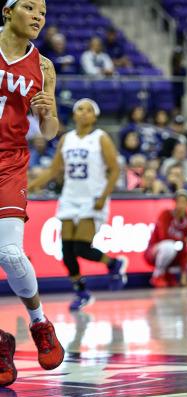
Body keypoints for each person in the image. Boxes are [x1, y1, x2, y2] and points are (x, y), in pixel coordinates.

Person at [0, 0, 65, 386]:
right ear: (7, 11)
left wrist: (49, 111)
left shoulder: (43, 66)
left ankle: (40, 324)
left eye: (42, 10)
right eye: (29, 6)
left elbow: (49, 131)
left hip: (9, 161)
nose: (39, 15)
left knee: (8, 251)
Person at [28, 98, 128, 311]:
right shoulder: (66, 139)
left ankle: (113, 263)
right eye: (80, 109)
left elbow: (115, 169)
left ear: (95, 116)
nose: (84, 113)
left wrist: (104, 196)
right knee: (67, 251)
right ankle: (82, 292)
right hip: (70, 198)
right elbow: (54, 169)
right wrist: (30, 186)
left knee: (81, 247)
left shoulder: (101, 138)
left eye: (89, 110)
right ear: (74, 115)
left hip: (92, 199)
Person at [145, 189, 187, 287]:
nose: (181, 205)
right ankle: (157, 275)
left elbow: (183, 247)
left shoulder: (186, 221)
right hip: (155, 252)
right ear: (174, 202)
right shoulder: (166, 214)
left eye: (184, 202)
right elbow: (164, 237)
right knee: (169, 247)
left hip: (175, 252)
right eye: (178, 202)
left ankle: (171, 274)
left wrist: (184, 276)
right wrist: (183, 241)